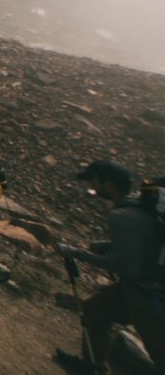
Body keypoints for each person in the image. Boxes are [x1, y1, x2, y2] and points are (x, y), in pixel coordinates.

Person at [55, 160, 165, 374]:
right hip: (138, 288)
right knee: (96, 311)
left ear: (110, 184)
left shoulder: (121, 216)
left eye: (94, 182)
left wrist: (74, 253)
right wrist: (107, 245)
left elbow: (126, 267)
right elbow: (147, 243)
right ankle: (92, 366)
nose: (92, 188)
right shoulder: (143, 205)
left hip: (149, 297)